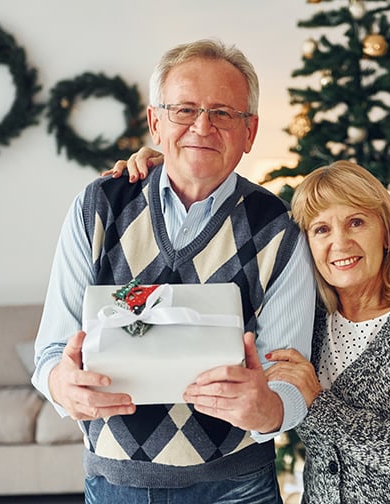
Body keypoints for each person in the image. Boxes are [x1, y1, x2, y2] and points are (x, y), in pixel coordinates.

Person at [32, 38, 315, 504]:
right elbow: (51, 353)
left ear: (251, 132)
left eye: (224, 113)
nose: (203, 126)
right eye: (184, 109)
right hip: (115, 485)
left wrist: (270, 408)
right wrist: (62, 387)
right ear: (155, 122)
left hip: (238, 486)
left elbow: (288, 375)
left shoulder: (278, 230)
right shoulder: (98, 206)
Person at [114, 157, 390, 502]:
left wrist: (317, 404)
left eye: (356, 222)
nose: (341, 243)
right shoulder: (309, 317)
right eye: (321, 229)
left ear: (385, 232)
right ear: (306, 246)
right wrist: (177, 167)